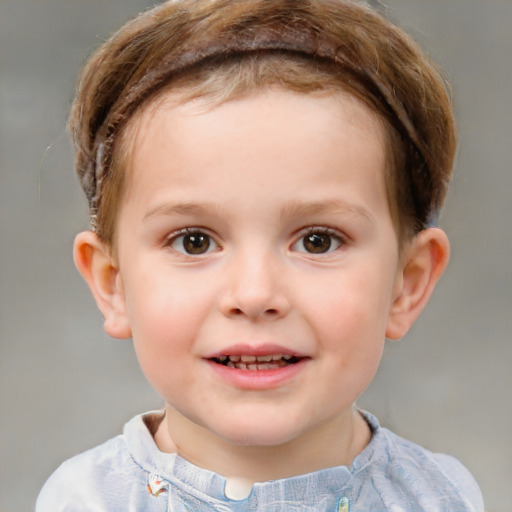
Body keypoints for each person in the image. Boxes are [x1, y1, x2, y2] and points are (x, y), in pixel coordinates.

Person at [36, 0, 484, 510]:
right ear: (113, 284)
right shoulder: (83, 500)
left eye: (317, 240)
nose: (254, 294)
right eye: (194, 241)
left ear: (407, 281)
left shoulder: (441, 498)